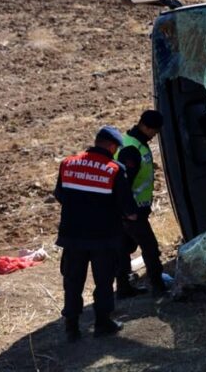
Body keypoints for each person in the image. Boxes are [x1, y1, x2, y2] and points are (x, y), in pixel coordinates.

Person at [55, 126, 137, 342]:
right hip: (104, 237)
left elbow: (60, 195)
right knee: (104, 281)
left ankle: (71, 328)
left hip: (72, 236)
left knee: (72, 281)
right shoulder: (114, 169)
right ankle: (102, 323)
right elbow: (128, 209)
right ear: (111, 146)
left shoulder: (68, 163)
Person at [114, 109, 168, 298]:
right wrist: (129, 212)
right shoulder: (132, 149)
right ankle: (158, 286)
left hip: (126, 211)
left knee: (123, 249)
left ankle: (123, 288)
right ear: (144, 126)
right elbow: (123, 184)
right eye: (153, 130)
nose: (155, 135)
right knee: (150, 248)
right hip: (131, 211)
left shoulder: (131, 142)